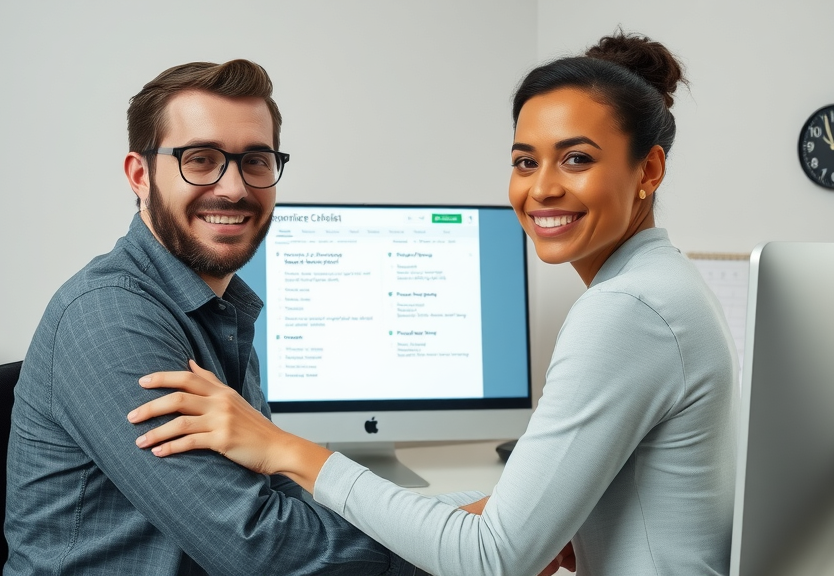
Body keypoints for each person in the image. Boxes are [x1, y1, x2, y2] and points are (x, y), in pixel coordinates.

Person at [127, 33, 738, 576]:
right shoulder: (662, 285)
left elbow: (490, 558)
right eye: (526, 161)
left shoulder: (627, 308)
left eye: (576, 158)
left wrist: (287, 449)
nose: (543, 186)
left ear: (649, 169)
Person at [5, 59, 425, 575]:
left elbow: (280, 493)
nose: (234, 188)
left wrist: (448, 522)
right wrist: (452, 543)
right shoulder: (110, 318)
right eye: (200, 160)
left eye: (255, 161)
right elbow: (259, 547)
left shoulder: (217, 309)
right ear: (140, 175)